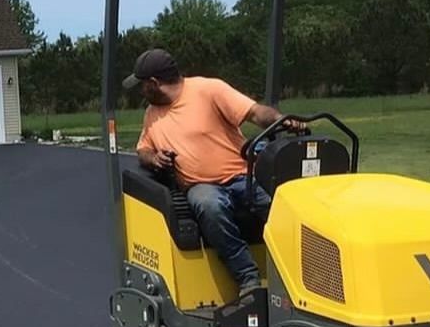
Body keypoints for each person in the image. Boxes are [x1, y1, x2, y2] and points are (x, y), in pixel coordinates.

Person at [125, 47, 305, 296]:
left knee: (280, 206)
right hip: (201, 185)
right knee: (209, 206)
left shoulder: (208, 90)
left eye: (142, 86)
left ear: (154, 83)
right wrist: (154, 158)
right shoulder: (151, 114)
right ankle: (248, 278)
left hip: (242, 175)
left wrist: (280, 120)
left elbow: (254, 112)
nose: (140, 92)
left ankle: (300, 271)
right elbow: (143, 148)